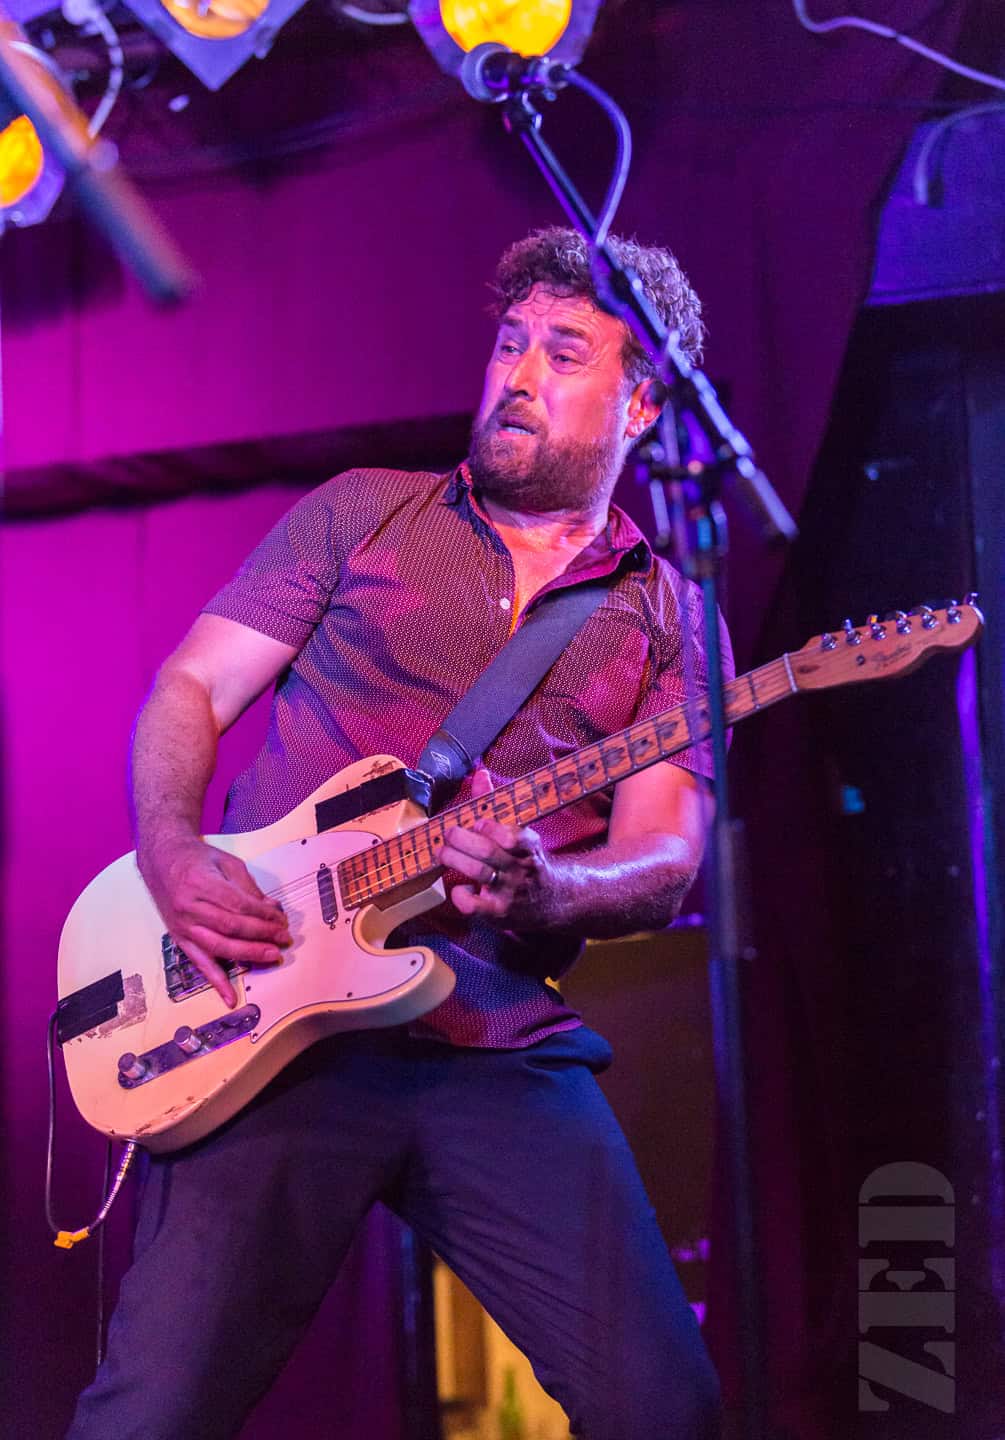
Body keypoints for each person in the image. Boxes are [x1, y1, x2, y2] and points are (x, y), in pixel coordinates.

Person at [68, 226, 728, 1440]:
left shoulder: (673, 620)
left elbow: (668, 856)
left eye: (564, 353)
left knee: (665, 1407)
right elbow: (191, 689)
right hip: (273, 1028)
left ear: (642, 404)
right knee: (151, 1415)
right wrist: (171, 851)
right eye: (510, 343)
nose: (518, 374)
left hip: (496, 1040)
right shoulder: (362, 514)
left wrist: (553, 894)